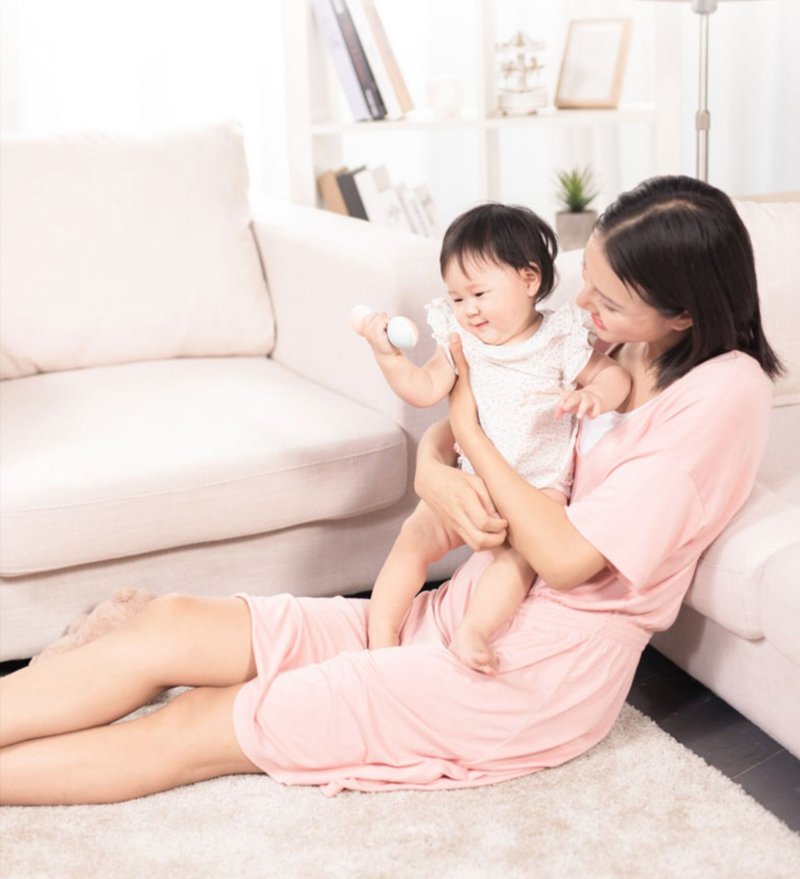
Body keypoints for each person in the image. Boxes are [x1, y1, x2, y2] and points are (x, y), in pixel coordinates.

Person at [0, 175, 782, 807]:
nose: (583, 306)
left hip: (527, 671)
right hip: (459, 606)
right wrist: (433, 467)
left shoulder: (719, 399)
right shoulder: (608, 345)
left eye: (607, 298)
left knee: (201, 721)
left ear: (681, 314)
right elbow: (496, 432)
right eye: (591, 283)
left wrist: (466, 436)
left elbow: (570, 557)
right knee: (172, 623)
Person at [359, 203, 631, 674]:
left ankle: (475, 631)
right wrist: (387, 357)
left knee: (518, 562)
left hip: (537, 488)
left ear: (528, 281)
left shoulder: (557, 338)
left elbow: (613, 376)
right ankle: (381, 635)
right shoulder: (461, 341)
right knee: (412, 539)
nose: (469, 310)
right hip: (471, 481)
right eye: (457, 299)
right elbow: (422, 390)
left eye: (479, 293)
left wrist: (595, 399)